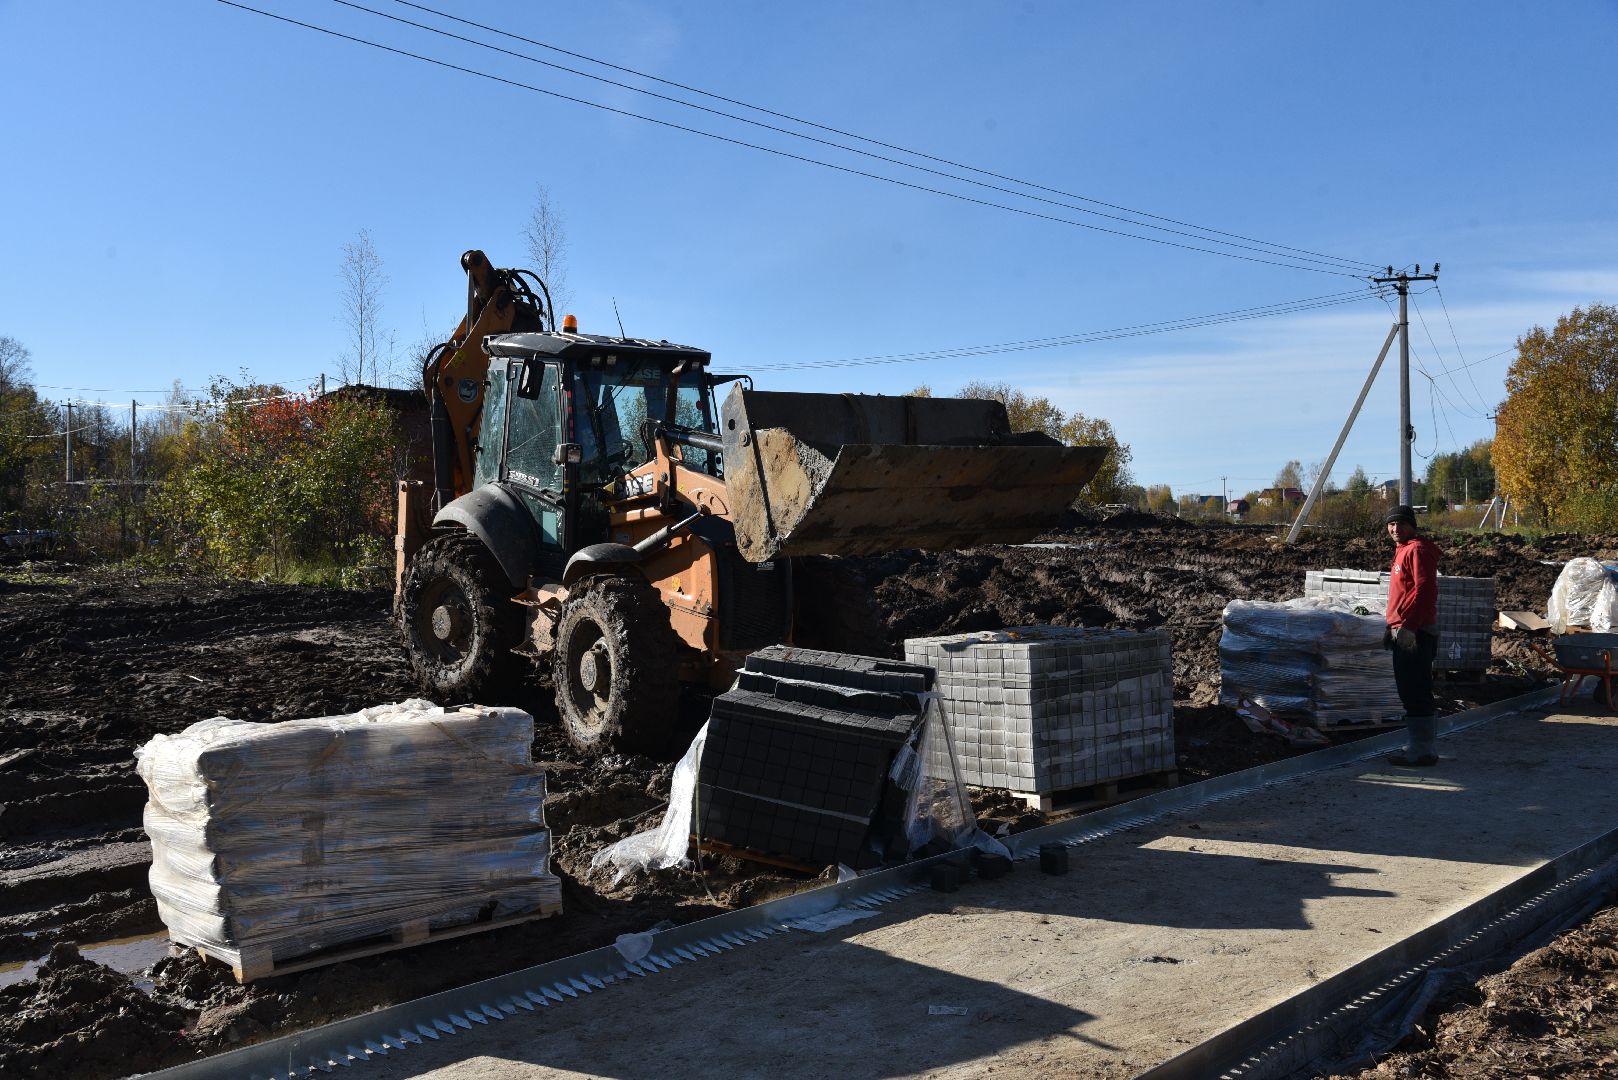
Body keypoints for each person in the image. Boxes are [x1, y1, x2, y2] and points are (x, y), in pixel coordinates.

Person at [1383, 504, 1442, 765]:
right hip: (1404, 629)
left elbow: (1425, 591)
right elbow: (1403, 594)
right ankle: (1420, 747)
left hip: (1415, 632)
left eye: (1401, 524)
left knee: (1416, 691)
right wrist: (1392, 627)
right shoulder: (1402, 550)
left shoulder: (1417, 549)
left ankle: (1423, 751)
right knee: (1410, 690)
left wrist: (1408, 626)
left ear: (1412, 525)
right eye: (1391, 524)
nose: (1395, 529)